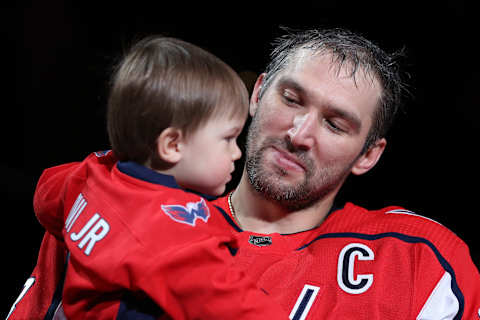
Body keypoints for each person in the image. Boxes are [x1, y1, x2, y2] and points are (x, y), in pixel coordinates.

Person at [9, 28, 480, 319]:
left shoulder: (421, 261)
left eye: (335, 124)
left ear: (368, 156)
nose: (299, 133)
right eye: (291, 99)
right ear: (256, 95)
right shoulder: (121, 196)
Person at [7, 36, 289, 319]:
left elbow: (45, 197)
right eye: (227, 139)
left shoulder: (91, 176)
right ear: (173, 146)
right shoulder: (167, 232)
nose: (236, 153)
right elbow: (238, 308)